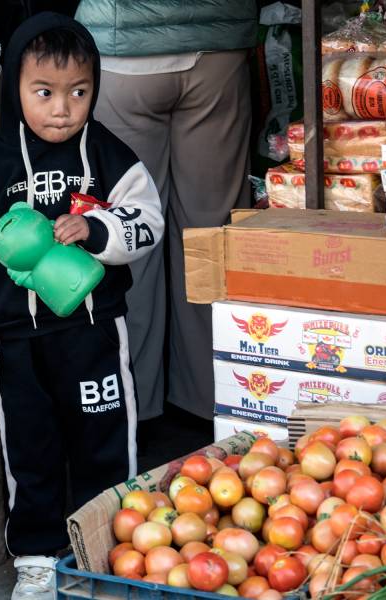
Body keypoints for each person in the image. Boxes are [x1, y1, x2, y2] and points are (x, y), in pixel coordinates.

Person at [0, 12, 163, 600]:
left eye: (79, 93)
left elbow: (149, 223)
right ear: (13, 86)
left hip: (94, 335)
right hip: (19, 342)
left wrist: (97, 229)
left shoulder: (113, 158)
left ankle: (112, 552)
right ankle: (37, 561)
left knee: (105, 443)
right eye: (44, 93)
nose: (62, 109)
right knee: (30, 454)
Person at [75, 1, 258, 422]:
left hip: (121, 55)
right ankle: (213, 399)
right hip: (218, 49)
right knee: (212, 230)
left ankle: (131, 401)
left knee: (127, 232)